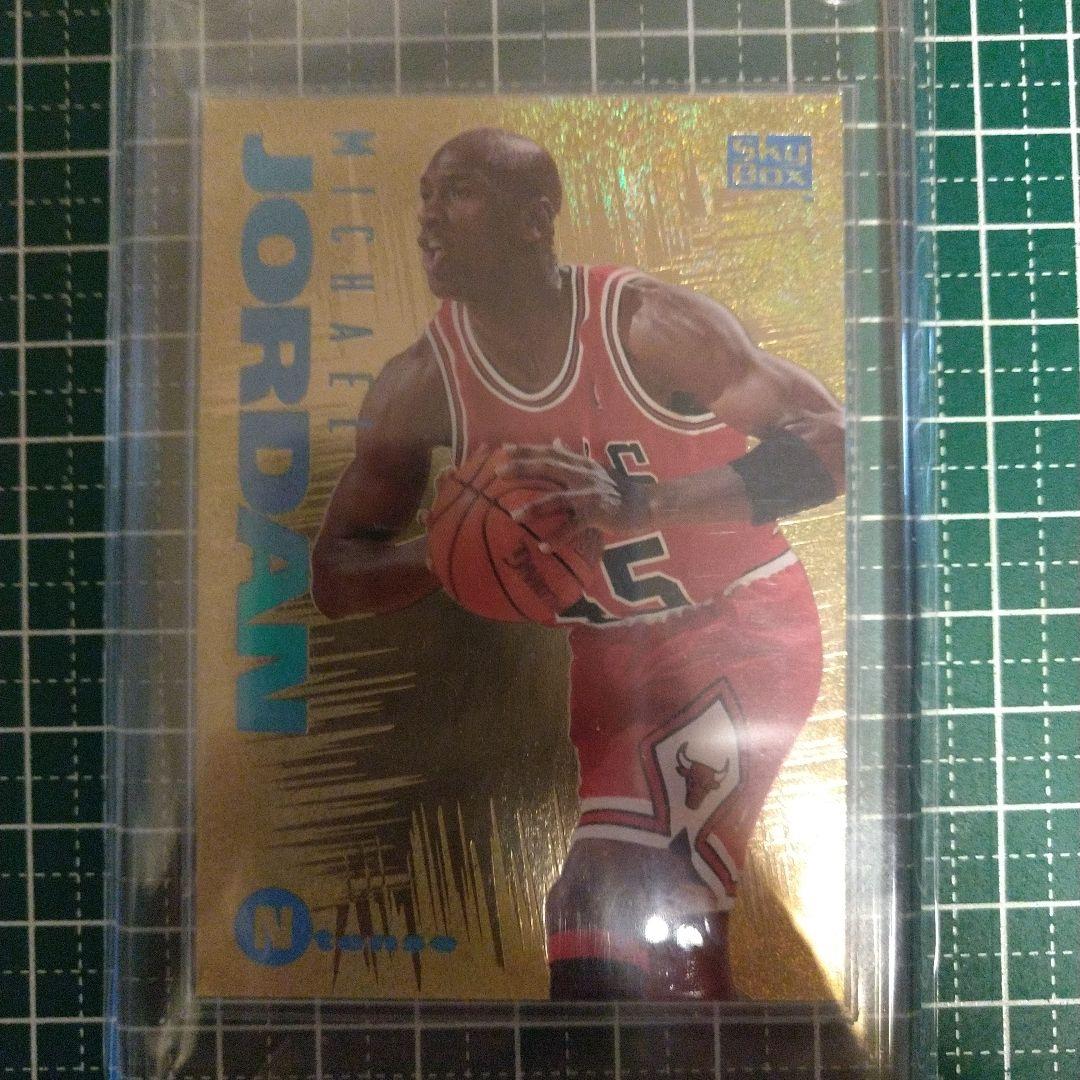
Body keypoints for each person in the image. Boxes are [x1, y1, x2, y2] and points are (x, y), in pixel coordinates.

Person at [311, 127, 844, 1001]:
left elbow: (833, 441)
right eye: (425, 196)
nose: (429, 217)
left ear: (535, 219)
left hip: (740, 630)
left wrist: (647, 504)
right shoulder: (419, 384)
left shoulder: (645, 326)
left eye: (459, 193)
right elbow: (337, 575)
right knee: (668, 943)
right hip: (609, 664)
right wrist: (451, 551)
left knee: (601, 894)